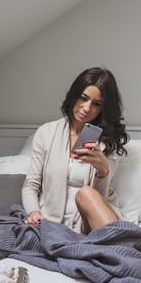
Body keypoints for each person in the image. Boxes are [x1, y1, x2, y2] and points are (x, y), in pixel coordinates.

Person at [22, 67, 129, 234]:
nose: (86, 108)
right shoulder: (46, 132)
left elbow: (101, 198)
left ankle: (119, 246)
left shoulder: (108, 142)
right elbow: (31, 185)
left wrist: (103, 171)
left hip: (91, 223)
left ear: (103, 109)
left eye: (96, 104)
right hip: (51, 222)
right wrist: (34, 213)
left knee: (86, 193)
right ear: (74, 95)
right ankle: (119, 248)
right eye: (83, 98)